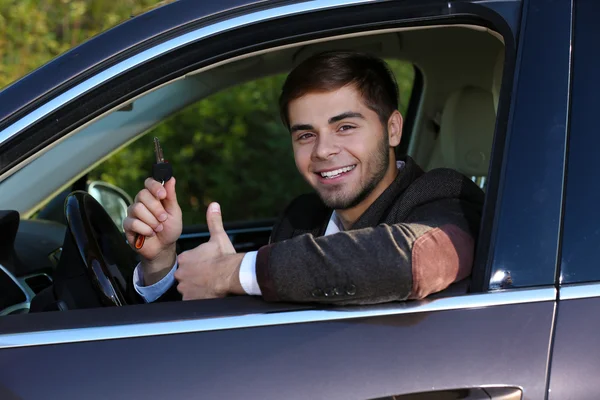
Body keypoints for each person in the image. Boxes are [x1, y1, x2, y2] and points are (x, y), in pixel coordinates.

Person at [123, 51, 484, 305]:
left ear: (392, 129)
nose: (323, 150)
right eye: (305, 135)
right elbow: (214, 333)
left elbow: (414, 260)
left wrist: (233, 271)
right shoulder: (301, 219)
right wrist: (161, 261)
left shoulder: (445, 196)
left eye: (344, 127)